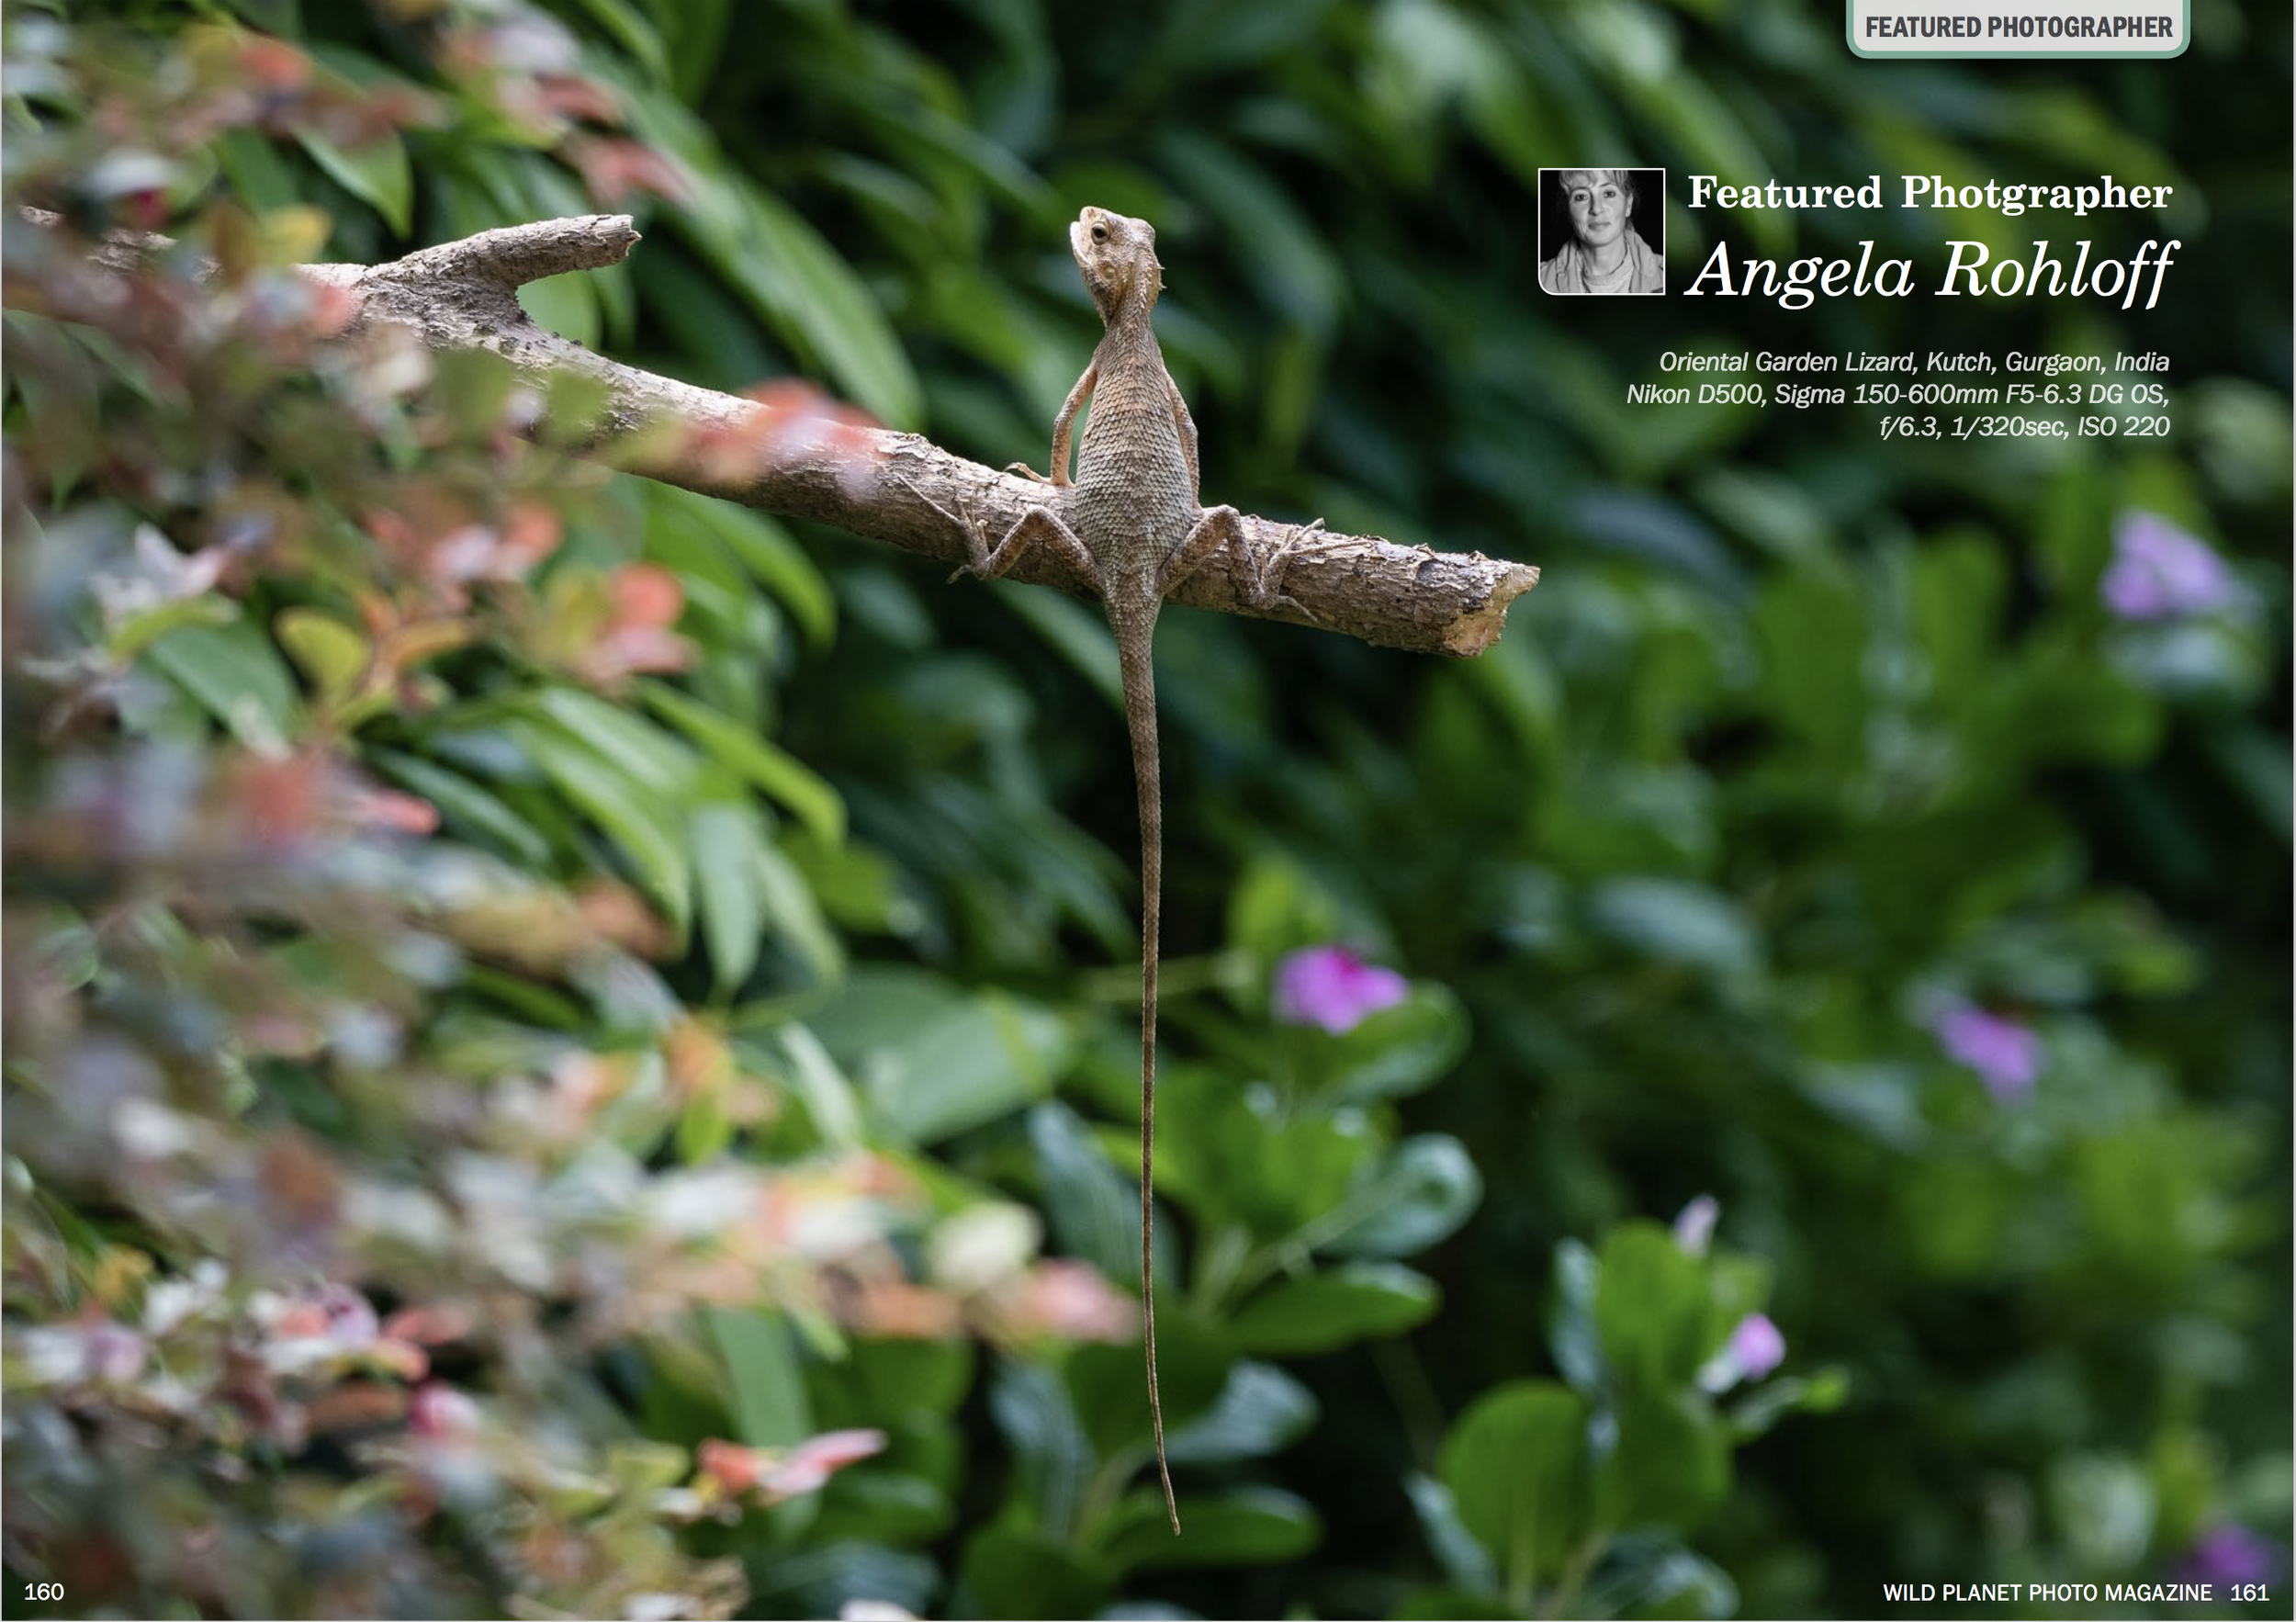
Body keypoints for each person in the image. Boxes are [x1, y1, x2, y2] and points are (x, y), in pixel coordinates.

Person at [1538, 168, 1664, 295]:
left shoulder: (1667, 277)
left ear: (1628, 205)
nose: (1596, 209)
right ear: (1568, 212)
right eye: (1581, 197)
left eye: (1608, 194)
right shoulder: (1542, 280)